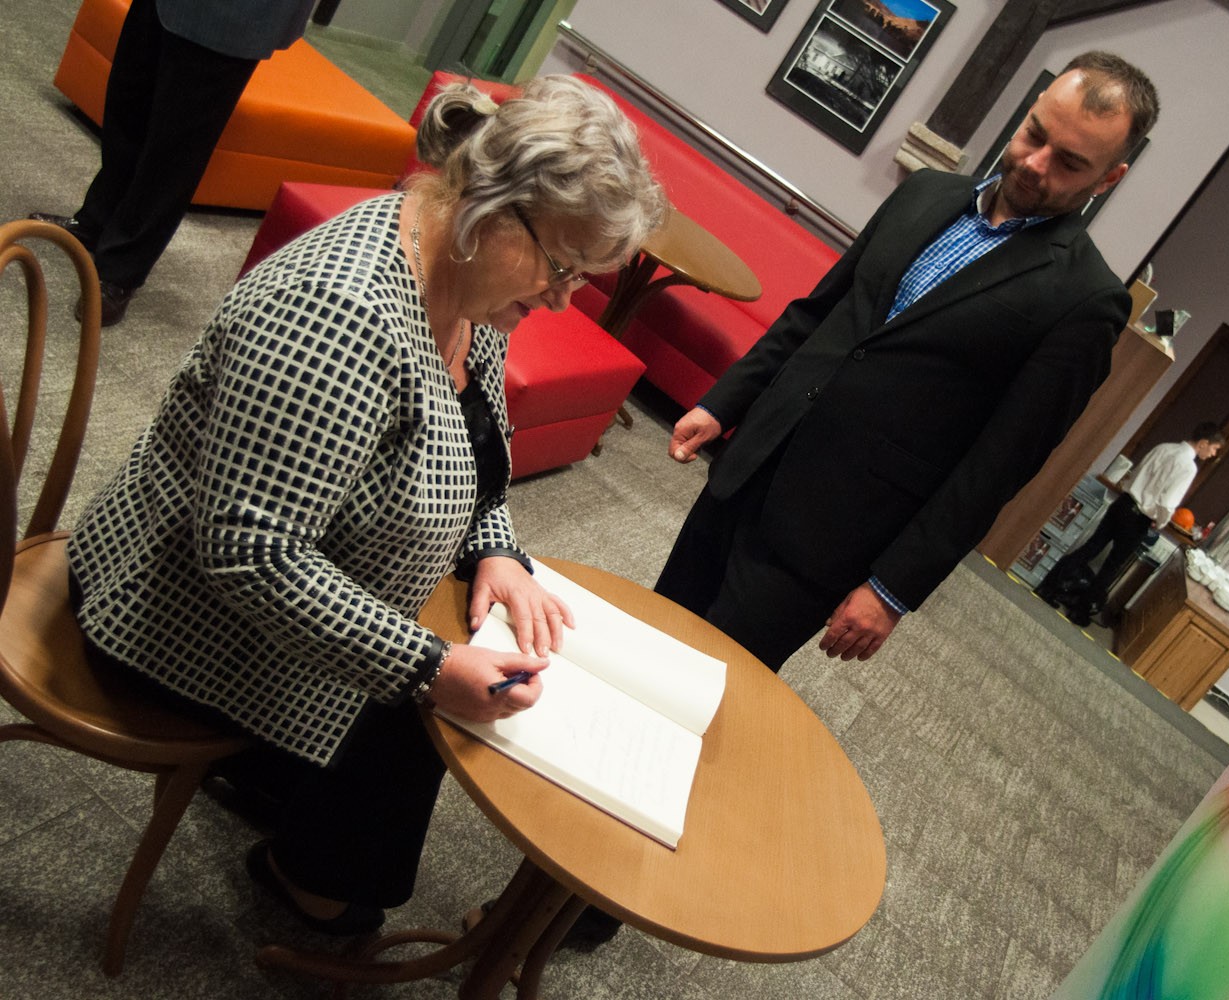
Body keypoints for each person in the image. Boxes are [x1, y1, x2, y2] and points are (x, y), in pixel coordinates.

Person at [65, 75, 664, 933]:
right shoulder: (340, 311)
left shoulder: (463, 282)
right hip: (179, 616)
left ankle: (298, 816)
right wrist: (426, 667)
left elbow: (474, 451)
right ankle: (308, 882)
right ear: (491, 208)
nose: (561, 299)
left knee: (450, 670)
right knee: (423, 718)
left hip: (294, 589)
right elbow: (250, 553)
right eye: (561, 267)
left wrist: (495, 547)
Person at [655, 51, 1160, 673]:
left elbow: (997, 467)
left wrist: (893, 588)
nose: (1035, 163)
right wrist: (723, 401)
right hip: (752, 460)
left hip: (830, 532)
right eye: (1035, 134)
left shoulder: (1086, 299)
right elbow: (819, 314)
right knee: (650, 630)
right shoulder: (925, 193)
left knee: (710, 682)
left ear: (1108, 178)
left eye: (1070, 163)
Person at [30, 0, 318, 326]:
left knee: (177, 148)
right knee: (129, 99)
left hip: (236, 13)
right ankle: (96, 221)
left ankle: (122, 270)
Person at [1036, 423, 1225, 626]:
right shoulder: (1188, 467)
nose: (1213, 454)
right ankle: (1080, 611)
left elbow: (1137, 473)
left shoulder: (1163, 448)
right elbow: (1167, 503)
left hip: (1123, 503)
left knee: (1091, 547)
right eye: (1214, 448)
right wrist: (1160, 521)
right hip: (1139, 518)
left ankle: (1047, 586)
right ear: (1203, 443)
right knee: (1112, 566)